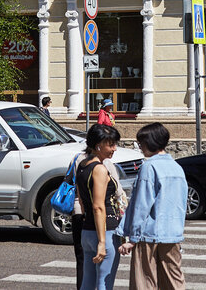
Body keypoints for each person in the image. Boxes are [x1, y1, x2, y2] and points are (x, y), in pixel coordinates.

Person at [118, 122, 187, 290]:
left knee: (144, 281)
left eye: (141, 143)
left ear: (150, 142)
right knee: (173, 280)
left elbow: (141, 205)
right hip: (172, 233)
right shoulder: (177, 168)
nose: (140, 147)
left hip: (148, 234)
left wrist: (132, 239)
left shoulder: (149, 167)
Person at [76, 123, 124, 290]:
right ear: (98, 145)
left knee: (87, 282)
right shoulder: (99, 169)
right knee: (104, 282)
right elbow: (99, 206)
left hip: (87, 231)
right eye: (111, 144)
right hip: (105, 231)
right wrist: (102, 241)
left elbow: (82, 201)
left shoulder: (82, 165)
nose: (114, 148)